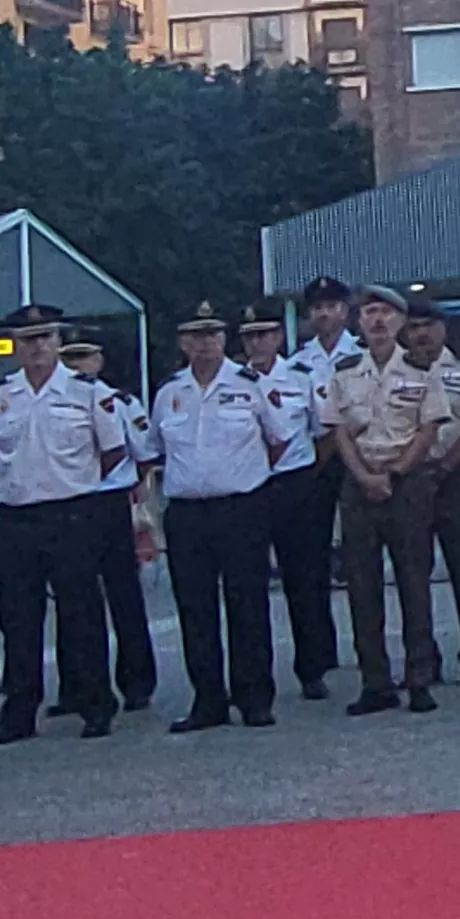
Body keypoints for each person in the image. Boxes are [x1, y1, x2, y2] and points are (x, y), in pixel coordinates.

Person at [323, 287, 460, 714]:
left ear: (398, 322)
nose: (377, 321)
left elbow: (429, 427)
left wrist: (395, 473)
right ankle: (375, 681)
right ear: (358, 321)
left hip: (406, 481)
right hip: (360, 483)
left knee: (414, 580)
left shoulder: (421, 372)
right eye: (369, 313)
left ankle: (419, 677)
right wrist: (363, 476)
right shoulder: (344, 372)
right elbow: (338, 429)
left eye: (386, 313)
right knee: (361, 585)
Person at [0, 303, 127, 743]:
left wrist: (77, 483)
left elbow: (113, 450)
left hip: (71, 514)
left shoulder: (87, 392)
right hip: (15, 518)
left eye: (44, 337)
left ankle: (96, 703)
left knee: (81, 614)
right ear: (16, 348)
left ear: (58, 342)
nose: (36, 347)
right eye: (27, 340)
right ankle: (19, 712)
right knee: (18, 620)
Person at [150, 304, 293, 732]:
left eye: (212, 335)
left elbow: (278, 441)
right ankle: (207, 700)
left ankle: (254, 698)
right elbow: (156, 446)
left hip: (240, 507)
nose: (204, 343)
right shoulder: (169, 392)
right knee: (196, 609)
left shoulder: (250, 385)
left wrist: (244, 476)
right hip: (188, 511)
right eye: (195, 336)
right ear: (182, 343)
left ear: (224, 339)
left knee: (247, 603)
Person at [58, 335, 162, 715]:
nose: (76, 365)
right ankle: (76, 686)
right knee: (73, 600)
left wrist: (134, 490)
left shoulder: (119, 401)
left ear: (99, 360)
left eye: (83, 356)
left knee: (123, 595)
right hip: (66, 503)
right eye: (68, 357)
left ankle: (137, 681)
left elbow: (144, 454)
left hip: (109, 501)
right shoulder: (54, 398)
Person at [268, 275, 360, 703]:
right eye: (317, 308)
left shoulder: (362, 356)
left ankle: (372, 650)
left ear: (346, 310)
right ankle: (317, 658)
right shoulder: (296, 365)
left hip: (363, 460)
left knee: (366, 564)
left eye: (332, 306)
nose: (325, 314)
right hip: (315, 468)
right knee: (310, 567)